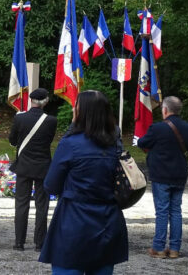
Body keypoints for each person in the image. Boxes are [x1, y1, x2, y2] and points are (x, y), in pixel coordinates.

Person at [38, 90, 127, 274]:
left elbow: (50, 185)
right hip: (107, 222)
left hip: (74, 223)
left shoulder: (70, 144)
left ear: (80, 112)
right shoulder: (115, 145)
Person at [136, 96, 188, 259]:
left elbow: (143, 143)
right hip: (180, 174)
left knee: (162, 212)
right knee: (176, 211)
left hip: (161, 175)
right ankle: (175, 248)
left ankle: (159, 248)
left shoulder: (158, 128)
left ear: (165, 110)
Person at [8, 87, 57, 252]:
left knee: (21, 204)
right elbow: (48, 141)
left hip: (23, 166)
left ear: (31, 101)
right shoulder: (51, 121)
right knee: (42, 205)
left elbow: (13, 141)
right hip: (43, 166)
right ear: (45, 102)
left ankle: (19, 242)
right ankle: (40, 243)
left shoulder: (20, 119)